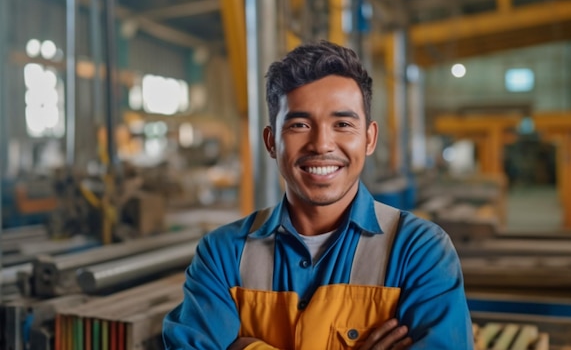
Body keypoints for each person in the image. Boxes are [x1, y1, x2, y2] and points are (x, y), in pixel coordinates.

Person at [162, 40, 472, 349]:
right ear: (271, 142)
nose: (321, 144)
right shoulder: (223, 254)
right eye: (299, 124)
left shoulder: (419, 251)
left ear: (369, 138)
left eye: (342, 124)